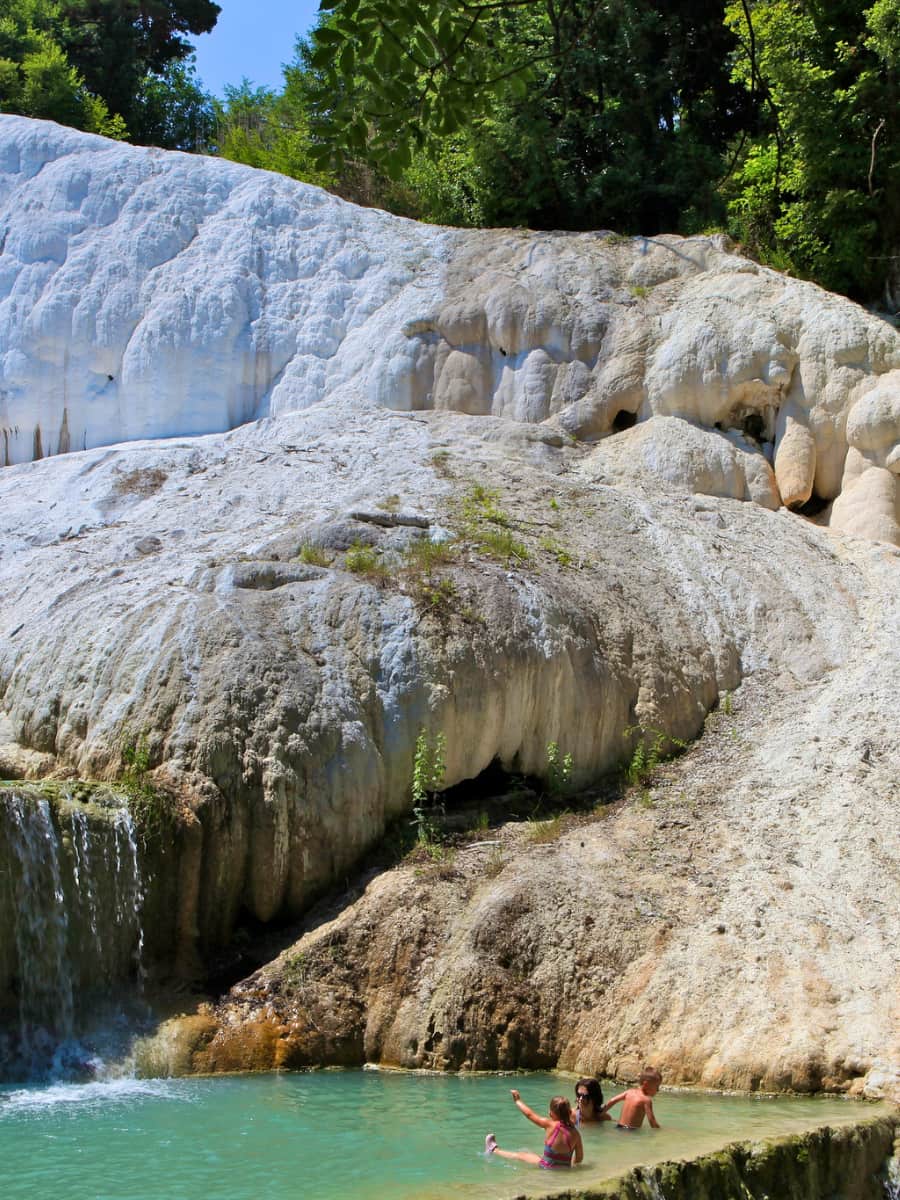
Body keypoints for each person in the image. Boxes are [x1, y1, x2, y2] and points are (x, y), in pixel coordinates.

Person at [485, 1089, 584, 1169]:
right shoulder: (576, 1134)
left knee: (521, 1155)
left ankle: (493, 1150)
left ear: (551, 1114)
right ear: (569, 1112)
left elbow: (529, 1114)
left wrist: (518, 1101)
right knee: (536, 1157)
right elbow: (579, 1158)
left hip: (546, 1166)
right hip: (564, 1170)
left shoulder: (549, 1124)